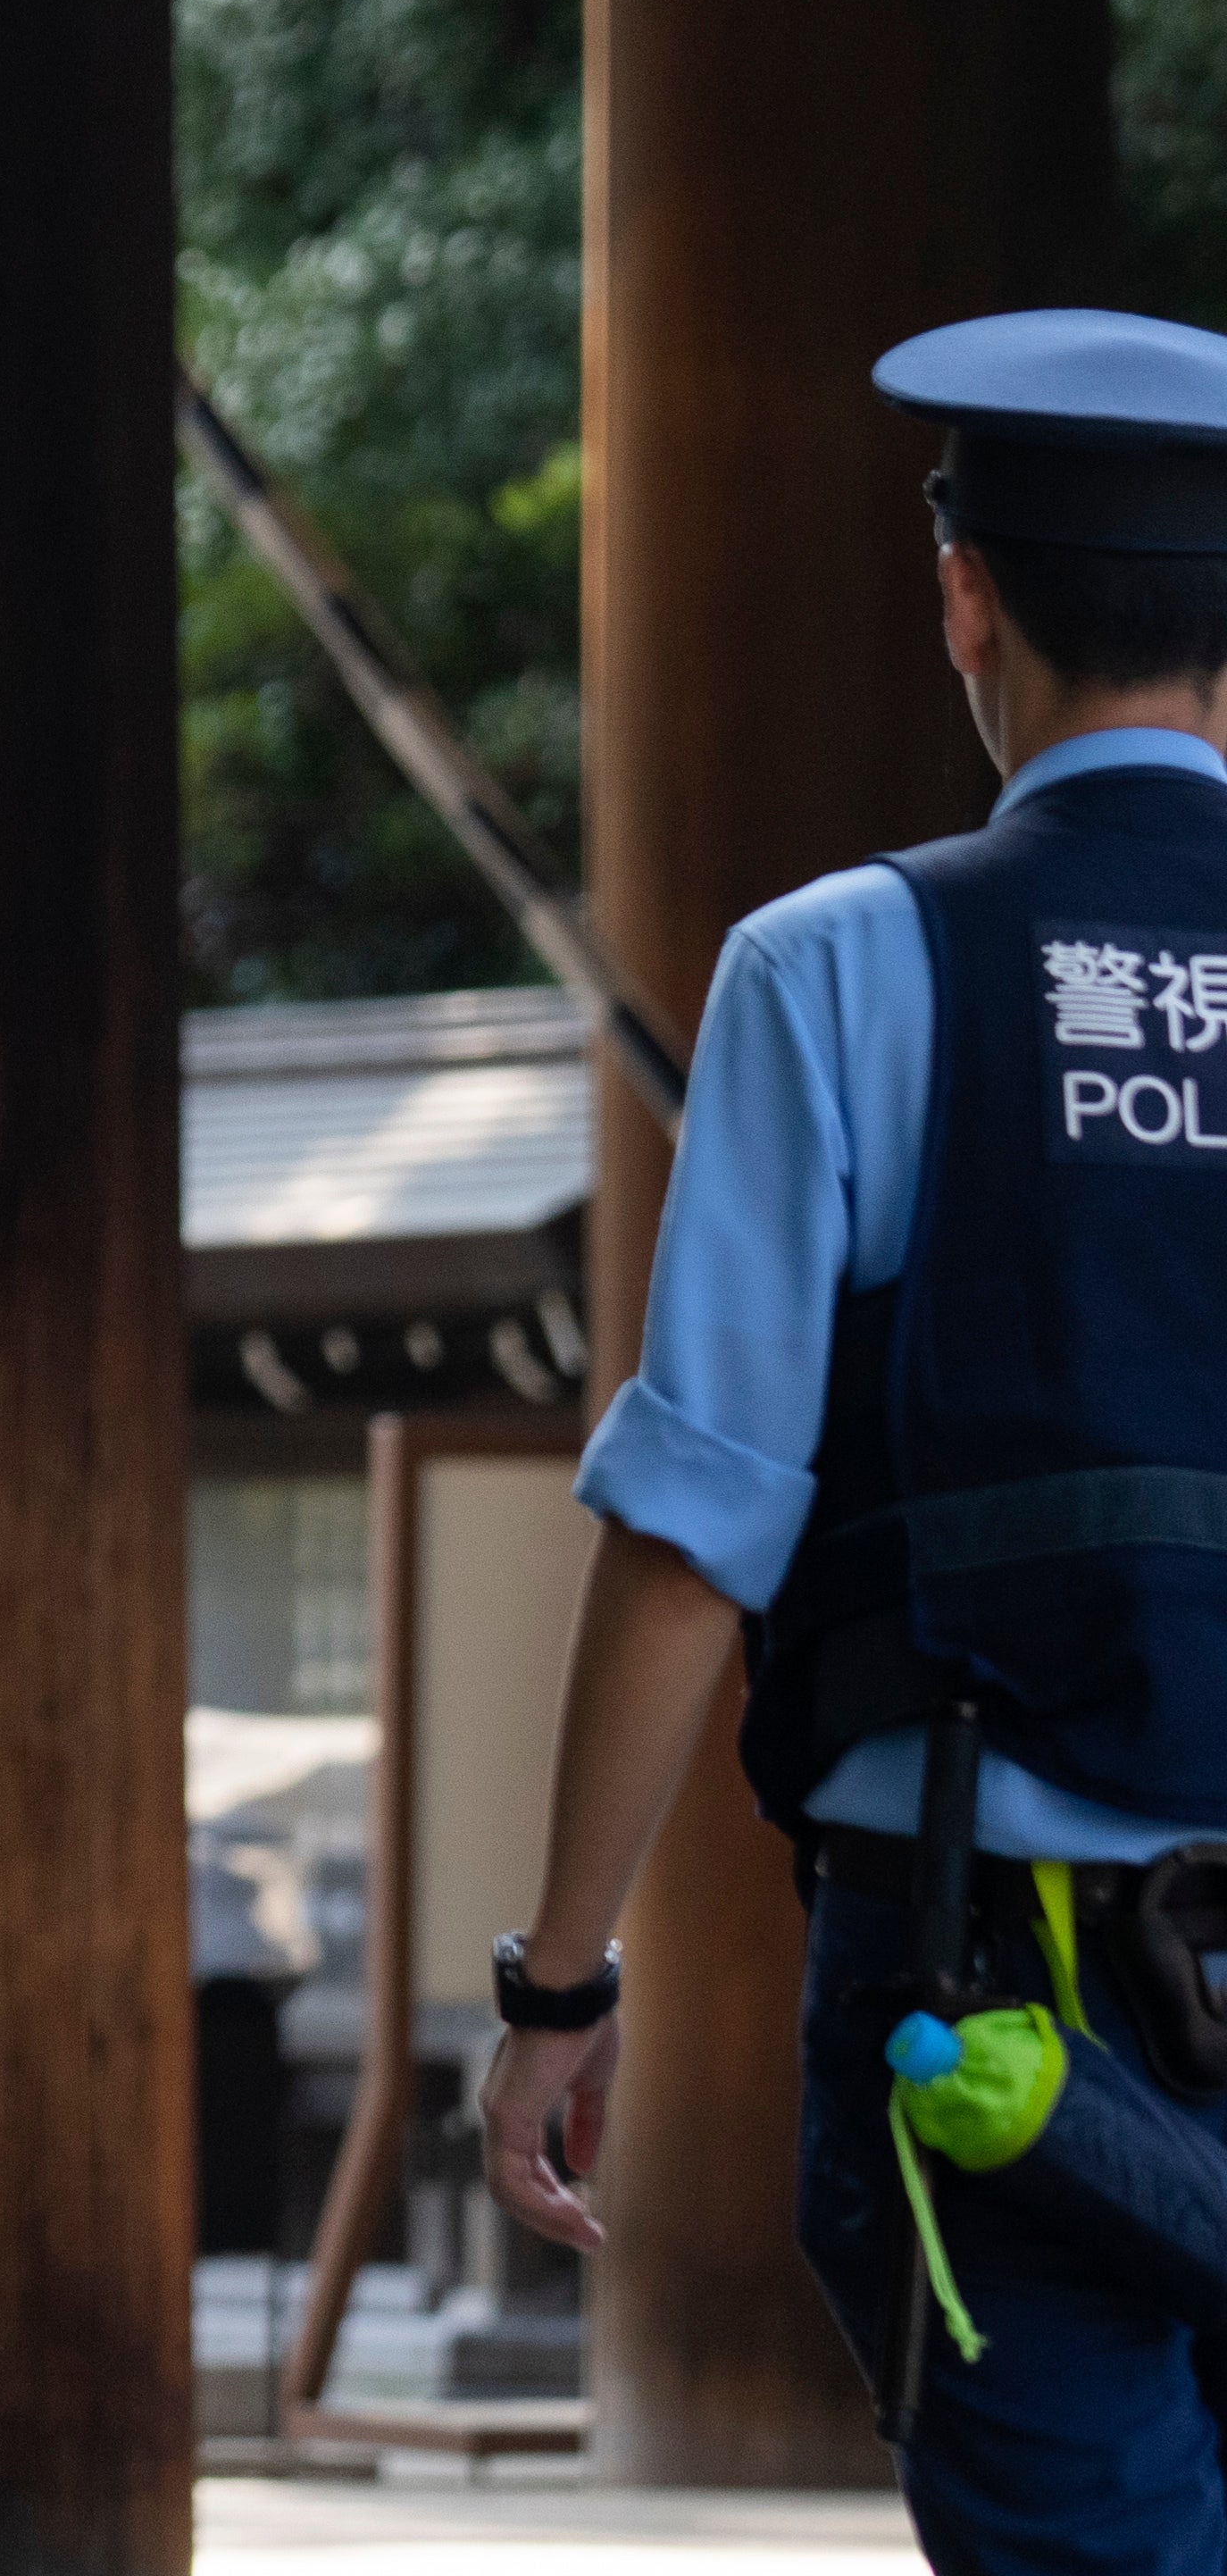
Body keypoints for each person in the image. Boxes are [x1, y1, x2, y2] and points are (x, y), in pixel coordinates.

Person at [478, 310, 1227, 2565]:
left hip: (989, 1976)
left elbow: (698, 1514)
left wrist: (559, 1979)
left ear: (962, 594)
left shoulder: (841, 964)